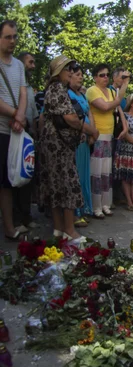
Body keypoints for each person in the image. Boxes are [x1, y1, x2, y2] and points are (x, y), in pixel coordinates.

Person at [38, 55, 99, 243]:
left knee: (56, 186)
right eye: (68, 69)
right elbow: (70, 119)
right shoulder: (57, 89)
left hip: (53, 145)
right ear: (59, 71)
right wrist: (91, 130)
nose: (71, 73)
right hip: (59, 147)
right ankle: (69, 230)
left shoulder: (54, 89)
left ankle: (58, 229)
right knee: (67, 185)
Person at [86, 63, 129, 218]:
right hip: (97, 136)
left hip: (109, 136)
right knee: (96, 173)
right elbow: (105, 107)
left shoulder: (110, 92)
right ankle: (96, 206)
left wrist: (125, 83)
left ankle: (105, 204)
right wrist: (118, 98)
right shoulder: (92, 91)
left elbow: (118, 107)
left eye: (106, 74)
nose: (105, 78)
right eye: (102, 75)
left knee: (106, 173)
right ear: (95, 77)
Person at [0, 21, 28, 240]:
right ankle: (8, 227)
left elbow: (23, 92)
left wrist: (21, 115)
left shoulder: (18, 65)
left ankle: (12, 227)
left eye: (15, 37)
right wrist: (15, 114)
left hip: (15, 130)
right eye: (8, 37)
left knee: (10, 181)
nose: (12, 41)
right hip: (1, 128)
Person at [13, 51, 39, 233]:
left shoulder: (29, 89)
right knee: (15, 176)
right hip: (16, 132)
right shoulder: (15, 86)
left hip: (30, 135)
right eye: (30, 62)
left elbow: (34, 115)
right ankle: (15, 219)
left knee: (28, 176)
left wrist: (36, 134)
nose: (33, 66)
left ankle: (26, 215)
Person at [68, 64, 96, 227]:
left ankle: (85, 208)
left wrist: (92, 132)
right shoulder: (67, 94)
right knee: (75, 174)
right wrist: (90, 130)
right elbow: (74, 118)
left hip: (86, 140)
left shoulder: (82, 95)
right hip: (75, 139)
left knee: (84, 173)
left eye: (81, 75)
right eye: (77, 74)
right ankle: (75, 212)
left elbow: (89, 113)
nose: (80, 77)